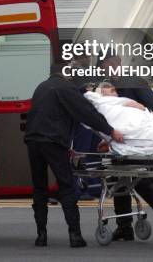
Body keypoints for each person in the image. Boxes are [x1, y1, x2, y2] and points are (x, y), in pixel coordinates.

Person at [24, 64, 124, 248]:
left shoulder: (41, 87)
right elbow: (87, 113)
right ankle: (75, 235)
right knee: (66, 186)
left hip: (33, 141)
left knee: (39, 188)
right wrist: (110, 130)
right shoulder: (65, 88)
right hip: (53, 142)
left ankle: (41, 236)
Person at [99, 55, 153, 241]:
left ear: (117, 63)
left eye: (109, 64)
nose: (107, 68)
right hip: (122, 146)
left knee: (139, 181)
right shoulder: (110, 87)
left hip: (139, 144)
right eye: (105, 66)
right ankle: (125, 227)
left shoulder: (133, 82)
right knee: (119, 181)